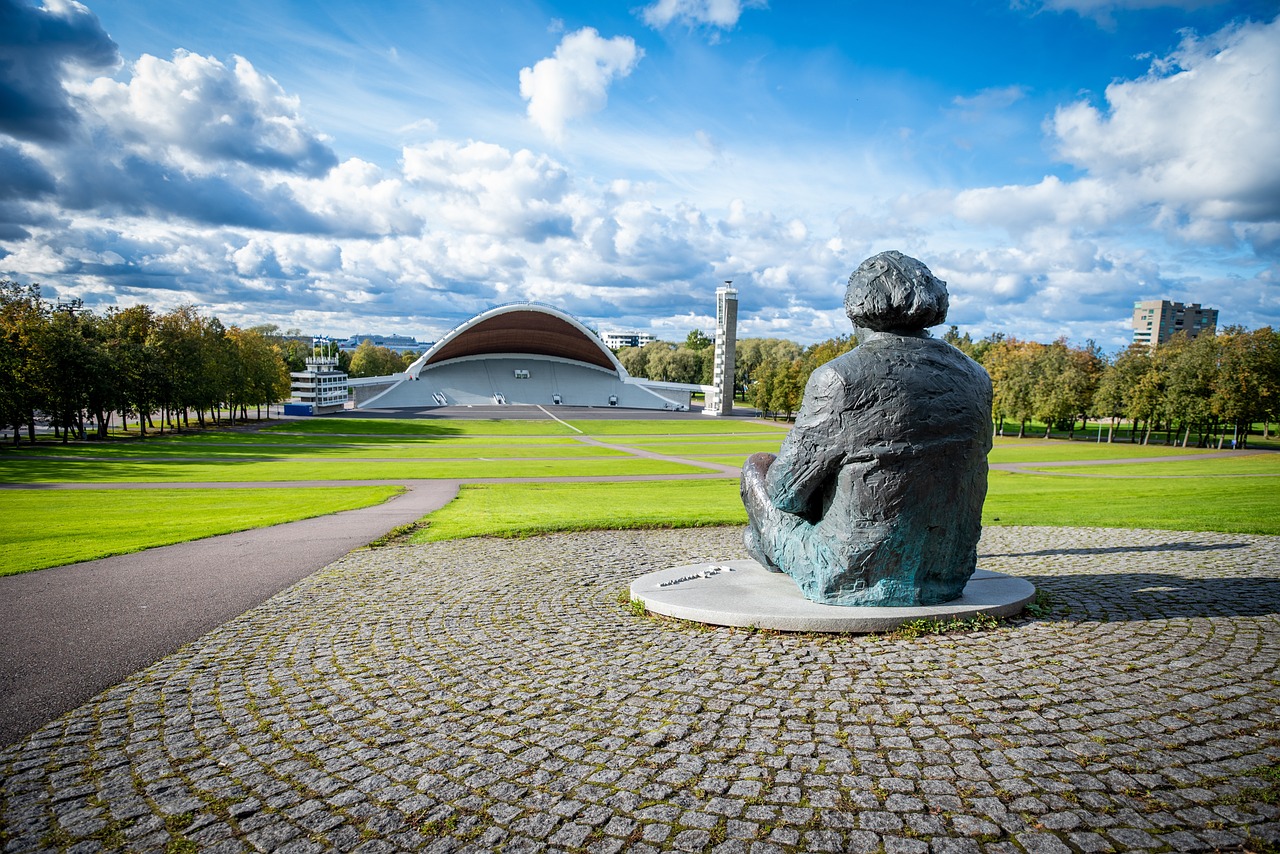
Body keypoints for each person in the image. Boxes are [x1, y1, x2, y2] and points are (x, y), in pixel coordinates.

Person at [741, 251, 992, 606]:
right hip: (948, 572)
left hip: (845, 572)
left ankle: (771, 548)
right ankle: (771, 546)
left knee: (756, 468)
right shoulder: (976, 376)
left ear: (857, 310)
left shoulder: (838, 378)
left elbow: (785, 493)